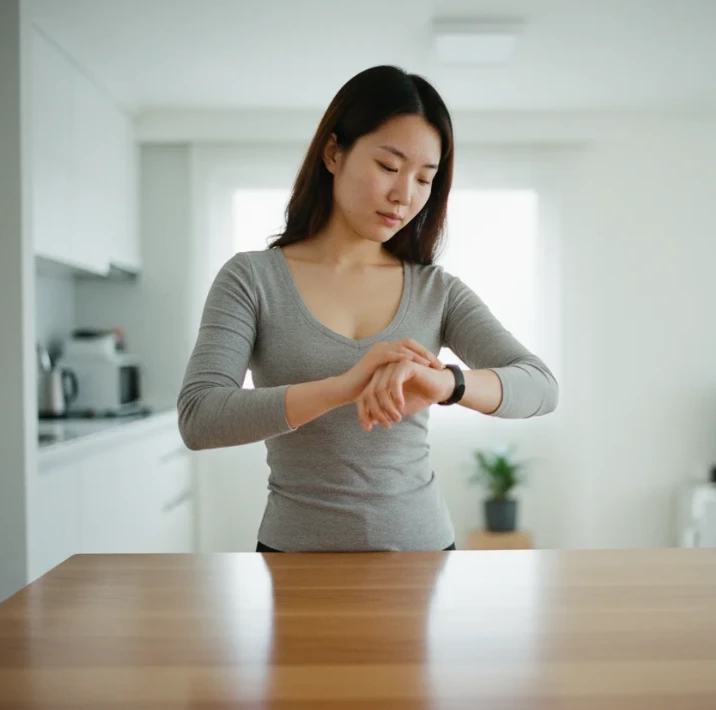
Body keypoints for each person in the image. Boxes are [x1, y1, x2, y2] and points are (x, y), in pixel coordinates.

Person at [177, 65, 558, 553]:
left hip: (425, 559)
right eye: (389, 167)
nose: (405, 195)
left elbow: (540, 386)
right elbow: (200, 416)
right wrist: (344, 386)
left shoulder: (436, 290)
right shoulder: (251, 279)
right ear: (333, 152)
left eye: (425, 178)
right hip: (295, 561)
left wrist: (448, 384)